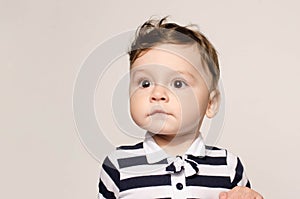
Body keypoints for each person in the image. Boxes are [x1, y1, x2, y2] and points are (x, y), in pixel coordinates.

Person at [98, 17, 263, 199]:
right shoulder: (118, 166)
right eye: (145, 83)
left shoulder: (229, 167)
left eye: (178, 83)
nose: (158, 93)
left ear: (210, 103)